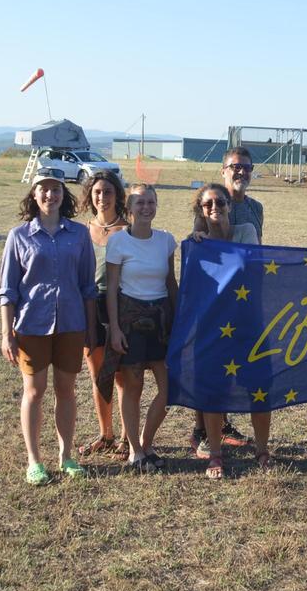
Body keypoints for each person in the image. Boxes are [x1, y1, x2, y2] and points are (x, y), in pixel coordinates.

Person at [0, 166, 97, 485]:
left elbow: (88, 287)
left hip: (70, 325)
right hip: (31, 326)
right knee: (34, 391)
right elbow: (7, 290)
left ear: (62, 195)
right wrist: (6, 333)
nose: (49, 194)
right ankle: (34, 461)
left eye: (55, 189)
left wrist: (92, 329)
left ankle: (67, 455)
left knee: (65, 391)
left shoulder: (80, 235)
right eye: (43, 189)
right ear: (34, 194)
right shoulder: (19, 236)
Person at [188, 183, 270, 479]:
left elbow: (253, 262)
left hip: (249, 322)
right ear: (200, 209)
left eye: (220, 203)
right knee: (213, 390)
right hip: (212, 327)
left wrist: (211, 235)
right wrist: (202, 235)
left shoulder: (246, 230)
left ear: (229, 205)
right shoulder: (194, 244)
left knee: (259, 389)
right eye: (207, 205)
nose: (215, 208)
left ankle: (262, 450)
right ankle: (215, 455)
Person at [104, 183, 179, 472]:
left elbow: (170, 282)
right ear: (129, 207)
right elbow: (111, 289)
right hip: (129, 318)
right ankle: (135, 450)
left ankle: (147, 443)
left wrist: (179, 317)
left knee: (168, 388)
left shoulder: (166, 240)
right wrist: (115, 328)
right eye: (139, 203)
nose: (146, 207)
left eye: (150, 202)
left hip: (161, 318)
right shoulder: (118, 242)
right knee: (133, 386)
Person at [76, 171, 129, 458]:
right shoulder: (81, 231)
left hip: (118, 305)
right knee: (97, 374)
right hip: (88, 306)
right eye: (97, 191)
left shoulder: (126, 230)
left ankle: (125, 437)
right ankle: (105, 434)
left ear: (117, 196)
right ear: (90, 196)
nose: (102, 197)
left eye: (108, 191)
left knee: (119, 374)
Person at [221, 146, 264, 242]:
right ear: (223, 172)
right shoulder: (212, 204)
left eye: (247, 168)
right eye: (236, 167)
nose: (242, 172)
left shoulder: (256, 208)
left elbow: (258, 248)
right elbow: (198, 240)